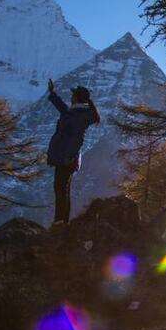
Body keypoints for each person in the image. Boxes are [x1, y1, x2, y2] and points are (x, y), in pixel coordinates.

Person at [45, 79, 100, 227]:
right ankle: (61, 220)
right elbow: (62, 108)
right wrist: (52, 93)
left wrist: (68, 157)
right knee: (61, 188)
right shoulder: (75, 112)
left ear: (77, 98)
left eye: (73, 95)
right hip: (64, 157)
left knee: (61, 188)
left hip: (67, 158)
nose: (71, 97)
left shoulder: (81, 115)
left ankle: (60, 221)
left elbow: (77, 138)